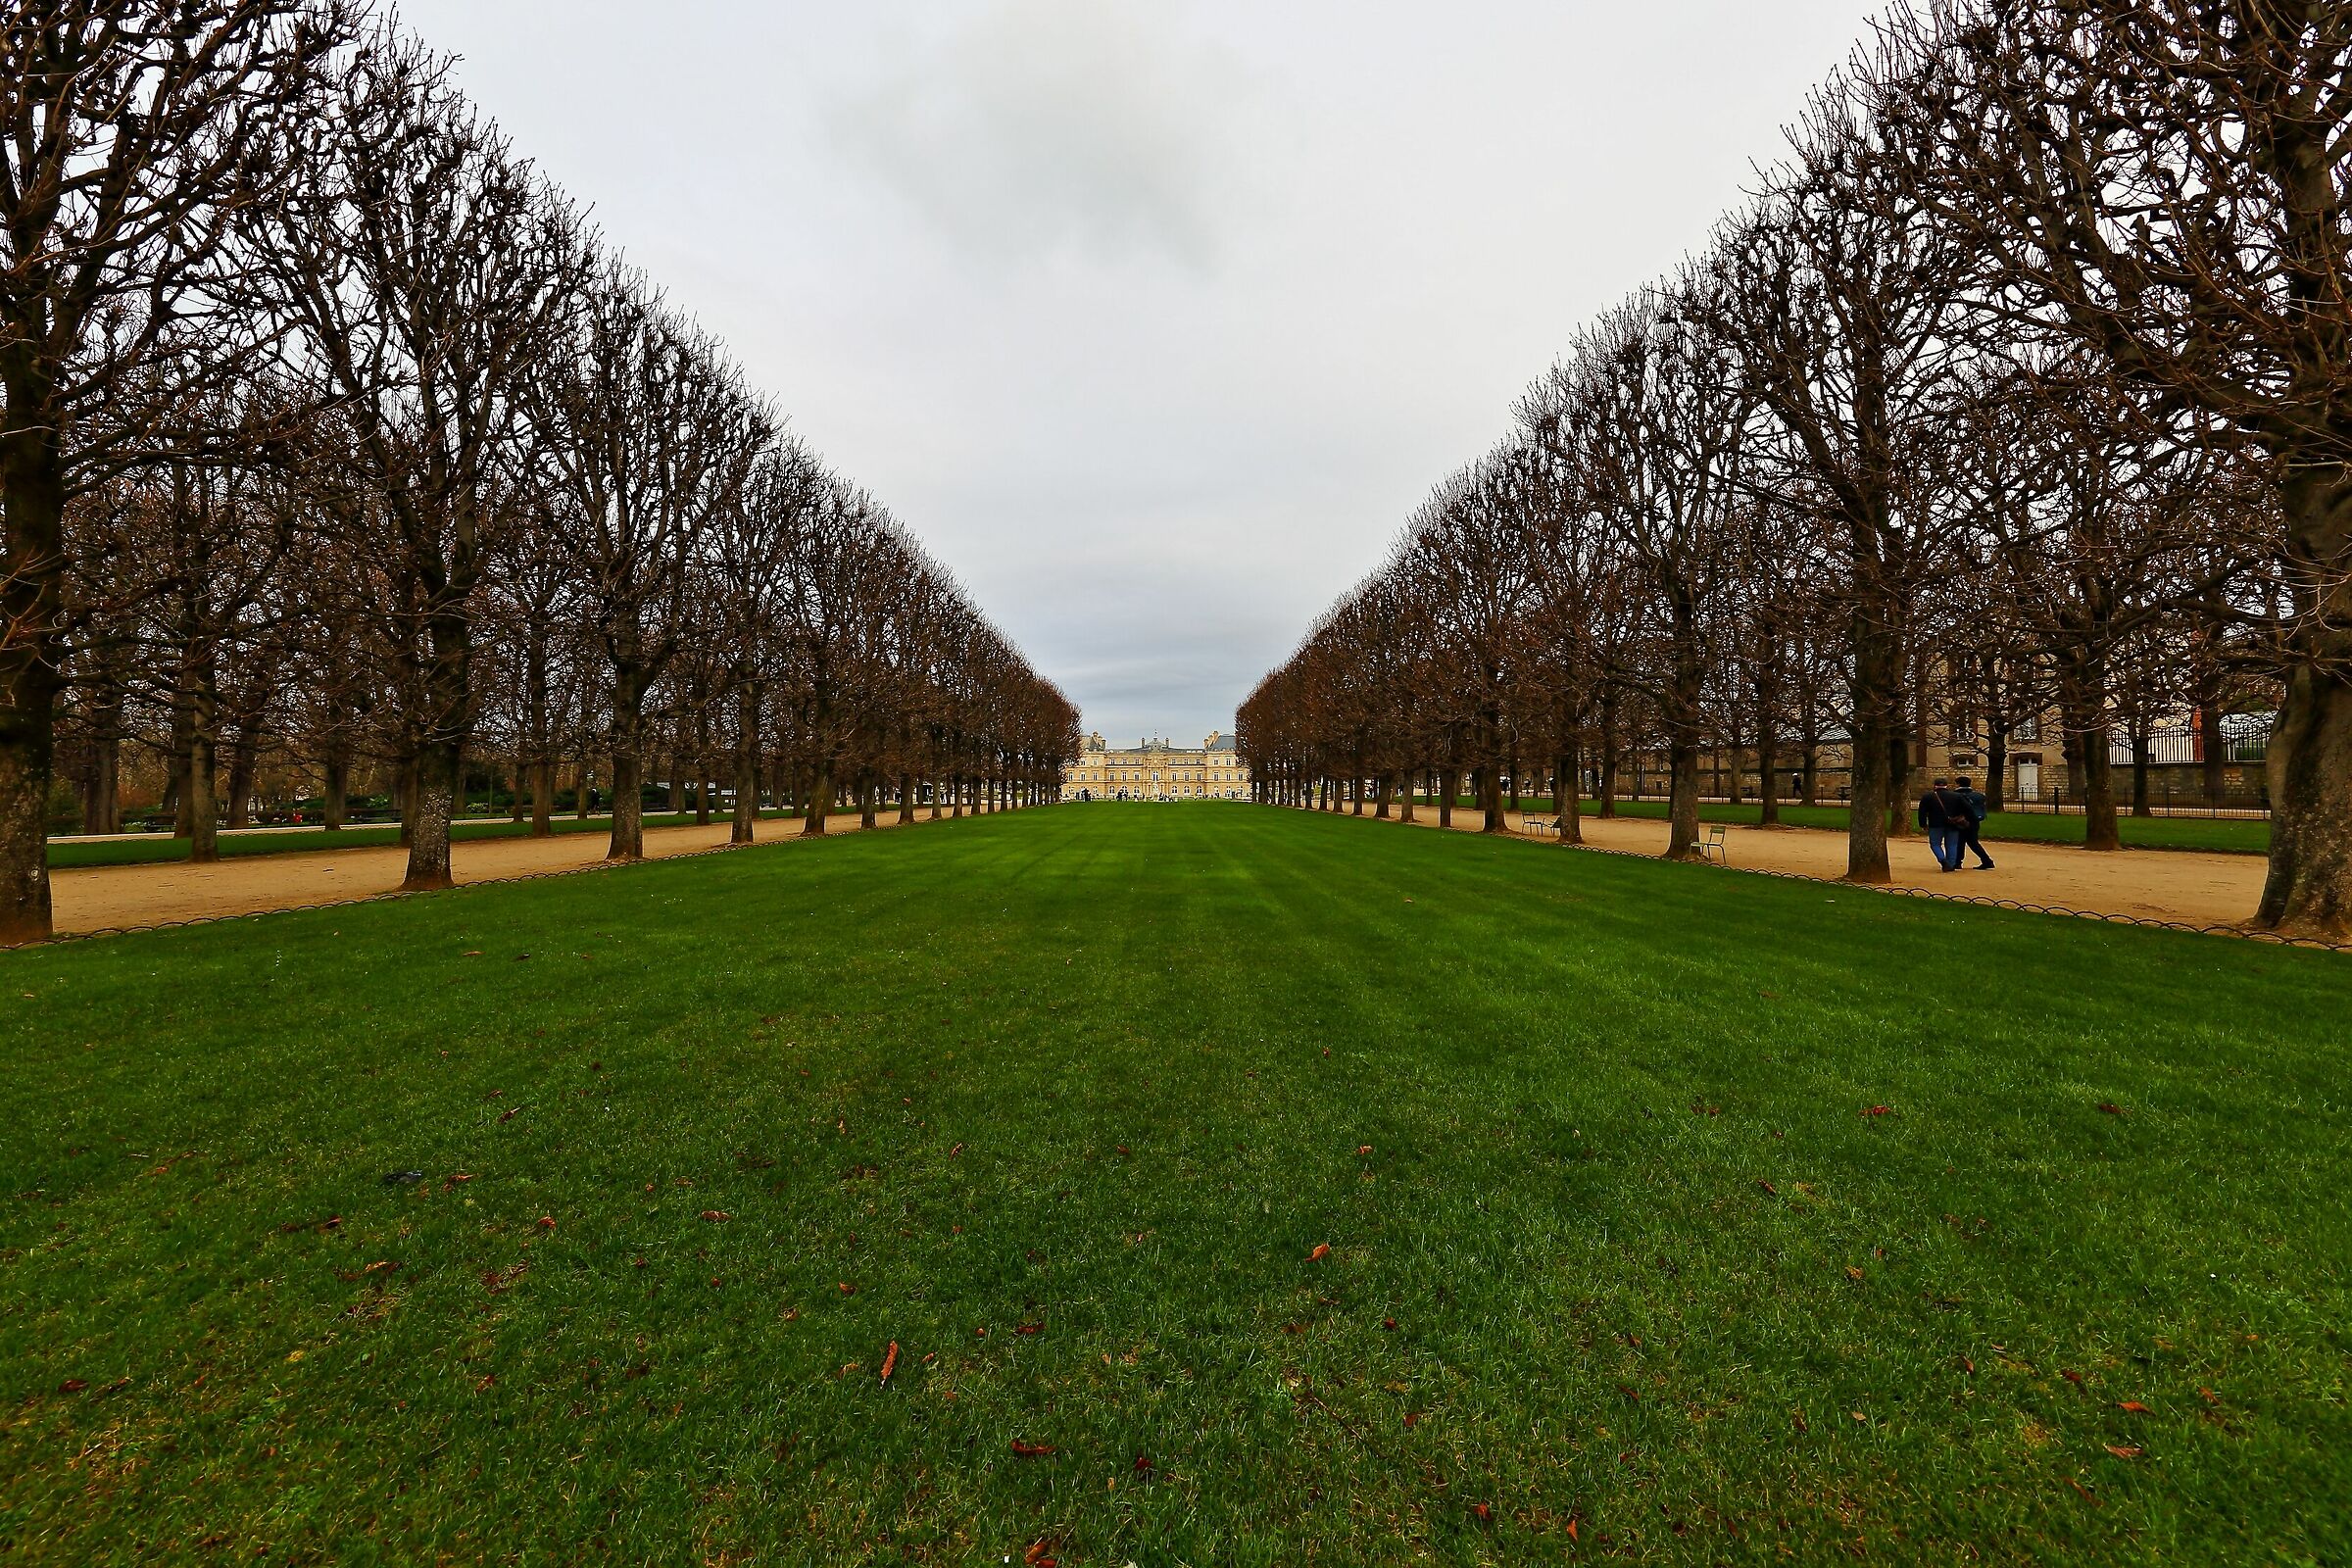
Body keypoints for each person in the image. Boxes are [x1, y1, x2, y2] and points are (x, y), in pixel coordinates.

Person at [1917, 776, 1963, 871]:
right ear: (1947, 785)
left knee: (1935, 844)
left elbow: (1922, 812)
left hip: (1935, 824)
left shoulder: (1928, 796)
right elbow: (1966, 809)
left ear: (1934, 786)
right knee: (1952, 844)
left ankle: (1943, 860)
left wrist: (1923, 824)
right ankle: (1951, 864)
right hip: (1953, 823)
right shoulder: (1956, 796)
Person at [1954, 775, 1994, 868]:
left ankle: (1958, 862)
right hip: (1975, 821)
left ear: (1958, 784)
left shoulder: (1956, 795)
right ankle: (1986, 860)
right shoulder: (1979, 795)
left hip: (1961, 821)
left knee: (1960, 842)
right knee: (1973, 842)